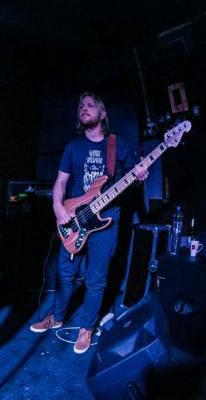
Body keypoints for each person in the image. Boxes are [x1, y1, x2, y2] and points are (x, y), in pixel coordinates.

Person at [29, 92, 149, 354]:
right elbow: (61, 181)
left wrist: (140, 174)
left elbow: (135, 176)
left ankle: (86, 328)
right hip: (74, 217)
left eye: (90, 105)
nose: (84, 108)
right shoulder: (73, 147)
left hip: (107, 221)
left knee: (96, 278)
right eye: (81, 105)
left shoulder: (118, 145)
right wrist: (57, 207)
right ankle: (56, 317)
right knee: (65, 273)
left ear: (102, 113)